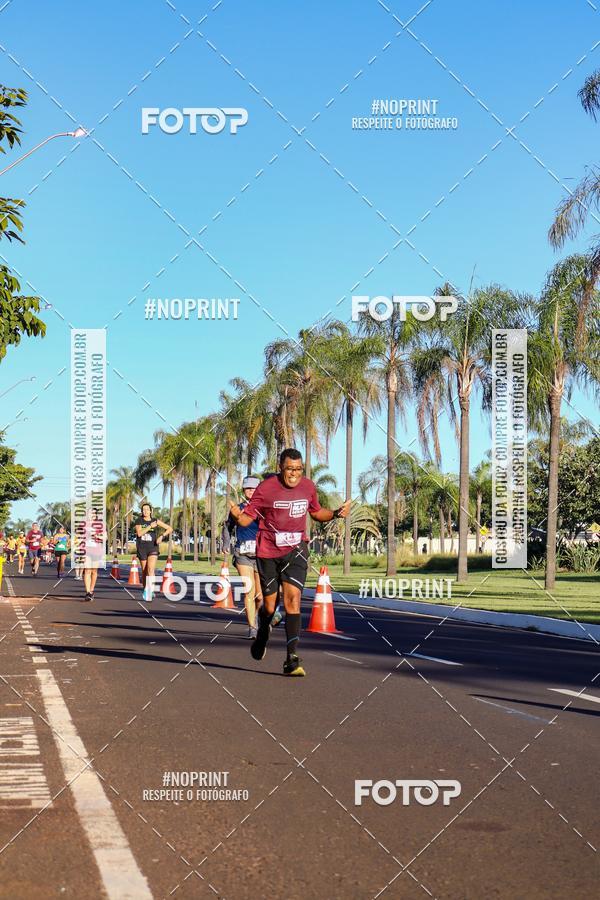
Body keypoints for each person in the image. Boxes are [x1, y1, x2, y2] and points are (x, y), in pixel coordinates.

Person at [229, 448, 351, 677]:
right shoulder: (266, 488)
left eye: (298, 469)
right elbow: (247, 519)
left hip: (296, 551)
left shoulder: (308, 486)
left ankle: (291, 658)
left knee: (293, 600)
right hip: (268, 552)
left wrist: (335, 513)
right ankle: (263, 631)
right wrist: (237, 514)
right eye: (289, 469)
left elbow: (316, 512)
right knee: (269, 605)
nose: (294, 474)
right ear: (280, 467)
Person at [222, 476, 264, 639]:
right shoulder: (237, 509)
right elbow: (227, 527)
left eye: (254, 488)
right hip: (243, 554)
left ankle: (259, 619)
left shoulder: (265, 508)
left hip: (262, 555)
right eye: (247, 489)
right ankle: (252, 627)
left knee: (260, 596)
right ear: (243, 491)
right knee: (249, 591)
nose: (251, 491)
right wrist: (226, 544)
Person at [134, 503, 172, 601]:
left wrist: (162, 536)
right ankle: (146, 589)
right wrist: (149, 526)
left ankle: (149, 590)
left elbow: (169, 528)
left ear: (151, 511)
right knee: (144, 571)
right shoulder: (139, 520)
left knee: (151, 570)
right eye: (143, 510)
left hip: (153, 547)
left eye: (147, 509)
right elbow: (139, 533)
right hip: (142, 548)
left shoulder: (155, 520)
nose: (145, 511)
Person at [82, 508, 107, 602]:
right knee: (87, 570)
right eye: (89, 513)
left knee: (94, 571)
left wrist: (97, 536)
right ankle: (88, 592)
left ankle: (92, 590)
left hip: (96, 550)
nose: (90, 514)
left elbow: (105, 537)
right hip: (86, 550)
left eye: (92, 513)